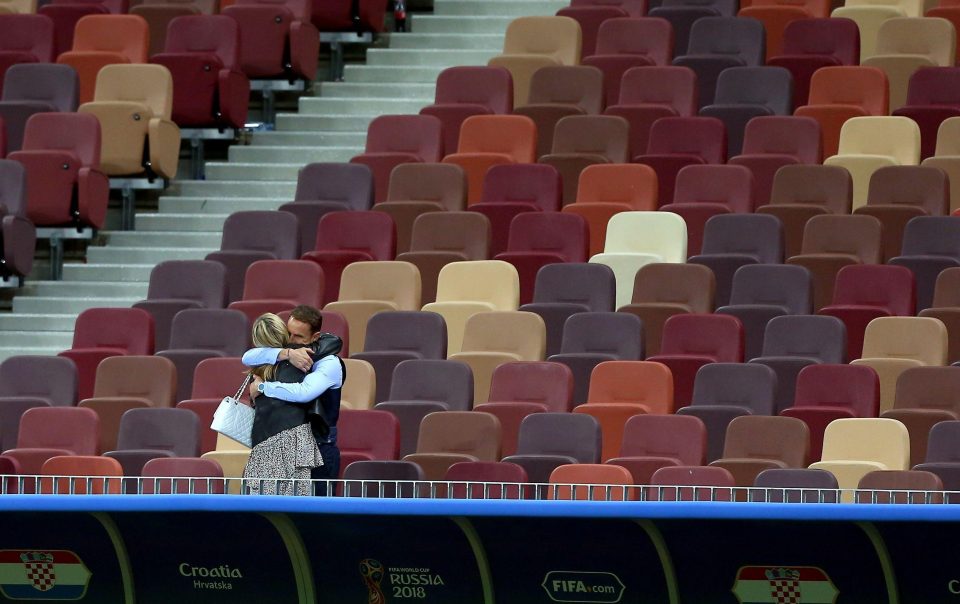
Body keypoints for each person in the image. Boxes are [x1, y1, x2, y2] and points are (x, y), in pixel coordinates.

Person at [242, 305, 344, 494]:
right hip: (289, 449)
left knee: (313, 516)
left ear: (315, 337)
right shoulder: (287, 354)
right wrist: (287, 353)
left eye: (298, 337)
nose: (290, 341)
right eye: (288, 333)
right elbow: (248, 357)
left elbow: (304, 392)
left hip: (320, 448)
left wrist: (263, 387)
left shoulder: (330, 363)